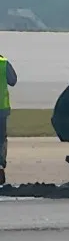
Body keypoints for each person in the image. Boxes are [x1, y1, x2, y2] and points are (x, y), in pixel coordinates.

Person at [0, 52, 18, 186]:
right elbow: (13, 81)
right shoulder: (4, 63)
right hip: (1, 109)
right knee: (1, 139)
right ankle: (0, 167)